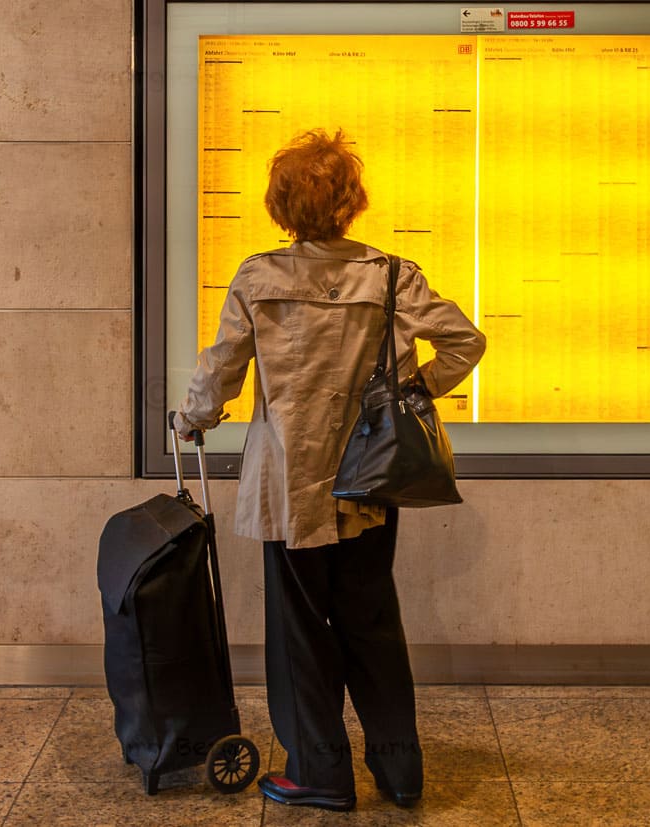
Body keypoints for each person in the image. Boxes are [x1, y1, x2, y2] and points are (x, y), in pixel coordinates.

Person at [174, 128, 485, 813]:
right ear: (352, 202)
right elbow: (466, 341)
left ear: (280, 206)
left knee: (299, 631)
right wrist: (418, 389)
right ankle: (400, 770)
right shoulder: (392, 275)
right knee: (371, 620)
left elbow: (219, 370)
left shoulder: (260, 277)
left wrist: (193, 416)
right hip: (370, 482)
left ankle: (319, 770)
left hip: (288, 486)